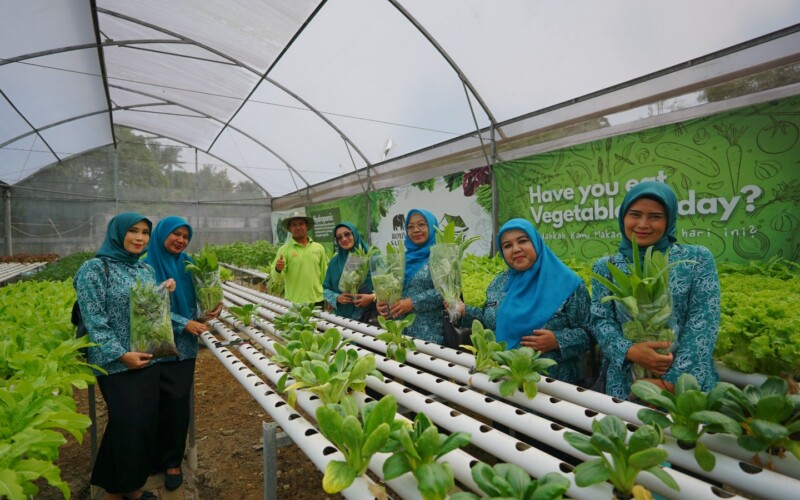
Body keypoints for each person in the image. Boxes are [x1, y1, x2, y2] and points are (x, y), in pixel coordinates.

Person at [73, 213, 176, 500]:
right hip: (116, 363)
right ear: (118, 233)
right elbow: (95, 320)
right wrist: (121, 354)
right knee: (128, 424)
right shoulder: (95, 269)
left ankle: (129, 487)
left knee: (139, 425)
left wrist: (163, 290)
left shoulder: (144, 269)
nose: (140, 238)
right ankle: (116, 494)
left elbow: (147, 308)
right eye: (133, 231)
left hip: (146, 357)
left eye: (145, 232)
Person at [591, 181, 720, 399]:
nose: (643, 224)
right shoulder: (607, 266)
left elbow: (704, 322)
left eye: (655, 216)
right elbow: (600, 319)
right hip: (625, 382)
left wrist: (671, 383)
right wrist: (630, 351)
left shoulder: (696, 259)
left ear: (669, 219)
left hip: (684, 381)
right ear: (623, 217)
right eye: (635, 214)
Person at [456, 218, 592, 384]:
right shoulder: (500, 283)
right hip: (503, 377)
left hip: (551, 385)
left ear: (536, 242)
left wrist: (558, 341)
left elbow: (590, 335)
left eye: (522, 241)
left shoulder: (569, 284)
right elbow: (490, 320)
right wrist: (464, 311)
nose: (516, 249)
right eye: (507, 245)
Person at [142, 216, 220, 491]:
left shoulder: (188, 265)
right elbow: (147, 307)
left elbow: (194, 304)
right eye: (175, 234)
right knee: (151, 405)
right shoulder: (145, 265)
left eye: (185, 236)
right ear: (162, 233)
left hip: (184, 348)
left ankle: (173, 462)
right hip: (153, 348)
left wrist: (211, 308)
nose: (181, 240)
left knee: (177, 404)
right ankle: (152, 458)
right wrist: (182, 322)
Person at [378, 208, 445, 344]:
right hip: (398, 332)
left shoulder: (442, 257)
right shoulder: (400, 259)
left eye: (421, 224)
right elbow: (391, 288)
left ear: (432, 227)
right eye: (410, 226)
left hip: (428, 335)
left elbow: (446, 292)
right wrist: (382, 302)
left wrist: (413, 303)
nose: (415, 230)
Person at [271, 211, 328, 305]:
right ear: (290, 228)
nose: (298, 227)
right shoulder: (284, 250)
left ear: (307, 226)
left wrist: (328, 296)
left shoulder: (318, 248)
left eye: (301, 224)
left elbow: (324, 274)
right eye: (294, 225)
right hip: (295, 301)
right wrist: (278, 269)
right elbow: (276, 278)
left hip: (317, 299)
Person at [323, 222, 377, 321]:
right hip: (341, 318)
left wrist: (372, 297)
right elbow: (325, 290)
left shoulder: (371, 257)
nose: (344, 239)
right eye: (339, 237)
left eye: (347, 234)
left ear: (354, 234)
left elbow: (387, 287)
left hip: (369, 317)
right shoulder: (334, 262)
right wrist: (337, 298)